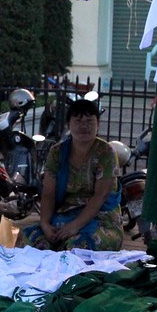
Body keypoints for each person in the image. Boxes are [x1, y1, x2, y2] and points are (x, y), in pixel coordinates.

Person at [21, 98, 124, 251]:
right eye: (78, 120)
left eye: (90, 121)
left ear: (98, 125)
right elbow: (48, 194)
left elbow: (100, 196)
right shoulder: (57, 152)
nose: (84, 126)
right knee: (30, 239)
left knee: (76, 247)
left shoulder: (106, 152)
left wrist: (74, 227)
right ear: (69, 125)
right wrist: (45, 225)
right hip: (63, 217)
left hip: (101, 220)